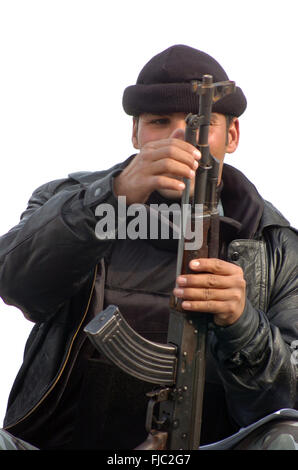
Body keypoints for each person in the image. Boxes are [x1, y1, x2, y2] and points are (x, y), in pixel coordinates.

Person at [0, 44, 297, 450]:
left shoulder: (274, 243)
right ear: (136, 133)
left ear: (231, 136)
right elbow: (16, 283)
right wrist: (109, 197)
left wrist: (242, 323)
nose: (180, 136)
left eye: (199, 124)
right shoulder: (67, 200)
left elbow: (286, 399)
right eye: (160, 121)